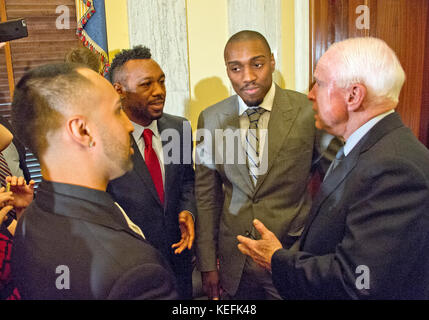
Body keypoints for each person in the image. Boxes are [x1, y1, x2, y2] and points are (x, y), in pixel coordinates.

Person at [237, 37, 429, 299]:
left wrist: (276, 259)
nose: (310, 94)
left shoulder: (392, 168)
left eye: (321, 83)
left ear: (354, 95)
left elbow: (357, 280)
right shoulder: (369, 147)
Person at [11, 63, 178, 299]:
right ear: (82, 131)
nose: (129, 126)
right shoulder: (134, 270)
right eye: (117, 110)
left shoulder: (29, 219)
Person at [194, 30, 330, 300]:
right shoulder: (210, 119)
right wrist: (208, 264)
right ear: (227, 70)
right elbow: (206, 196)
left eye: (257, 64)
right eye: (236, 68)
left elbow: (337, 179)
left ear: (272, 61)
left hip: (290, 253)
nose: (248, 77)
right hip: (235, 262)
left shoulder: (308, 110)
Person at [107, 46, 196, 299]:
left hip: (179, 261)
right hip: (131, 268)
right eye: (147, 84)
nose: (160, 91)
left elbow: (187, 181)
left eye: (162, 81)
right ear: (119, 90)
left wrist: (188, 211)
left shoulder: (179, 128)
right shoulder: (106, 138)